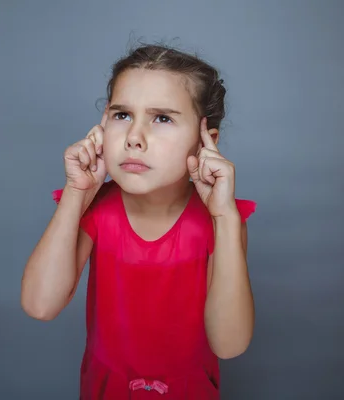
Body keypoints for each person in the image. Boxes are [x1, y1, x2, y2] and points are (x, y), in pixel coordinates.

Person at [21, 43, 257, 399]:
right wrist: (76, 192)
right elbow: (40, 305)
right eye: (121, 115)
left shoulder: (221, 221)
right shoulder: (94, 208)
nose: (133, 137)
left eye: (162, 118)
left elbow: (229, 344)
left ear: (204, 142)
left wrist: (224, 217)